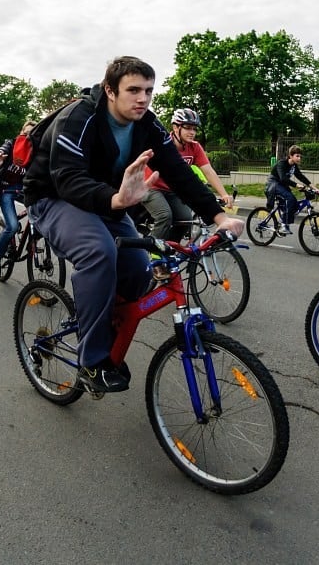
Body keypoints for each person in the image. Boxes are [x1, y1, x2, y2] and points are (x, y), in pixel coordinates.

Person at [23, 56, 244, 393]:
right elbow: (66, 178)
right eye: (134, 90)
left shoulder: (147, 125)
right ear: (110, 90)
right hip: (53, 197)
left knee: (139, 269)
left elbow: (179, 173)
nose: (143, 98)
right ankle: (92, 361)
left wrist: (218, 216)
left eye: (149, 91)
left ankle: (99, 318)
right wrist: (115, 201)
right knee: (98, 253)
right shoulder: (79, 118)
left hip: (109, 199)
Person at [141, 108, 233, 241]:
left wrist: (224, 194)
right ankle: (154, 253)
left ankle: (171, 248)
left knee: (186, 219)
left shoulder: (195, 147)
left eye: (195, 129)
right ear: (175, 127)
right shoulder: (162, 142)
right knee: (165, 216)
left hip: (172, 191)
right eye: (188, 128)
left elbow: (208, 171)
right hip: (151, 187)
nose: (192, 132)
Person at [0, 120, 37, 278]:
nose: (28, 136)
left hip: (23, 191)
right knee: (13, 226)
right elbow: (2, 149)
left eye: (32, 134)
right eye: (25, 133)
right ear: (21, 132)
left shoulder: (35, 151)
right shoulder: (13, 144)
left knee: (42, 213)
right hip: (5, 189)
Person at [265, 145, 312, 235]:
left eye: (300, 156)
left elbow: (301, 177)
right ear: (290, 156)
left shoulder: (294, 166)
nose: (299, 158)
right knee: (290, 198)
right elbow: (283, 178)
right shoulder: (282, 163)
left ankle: (283, 221)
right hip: (273, 184)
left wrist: (315, 188)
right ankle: (284, 225)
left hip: (282, 185)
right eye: (297, 156)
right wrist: (296, 185)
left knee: (293, 202)